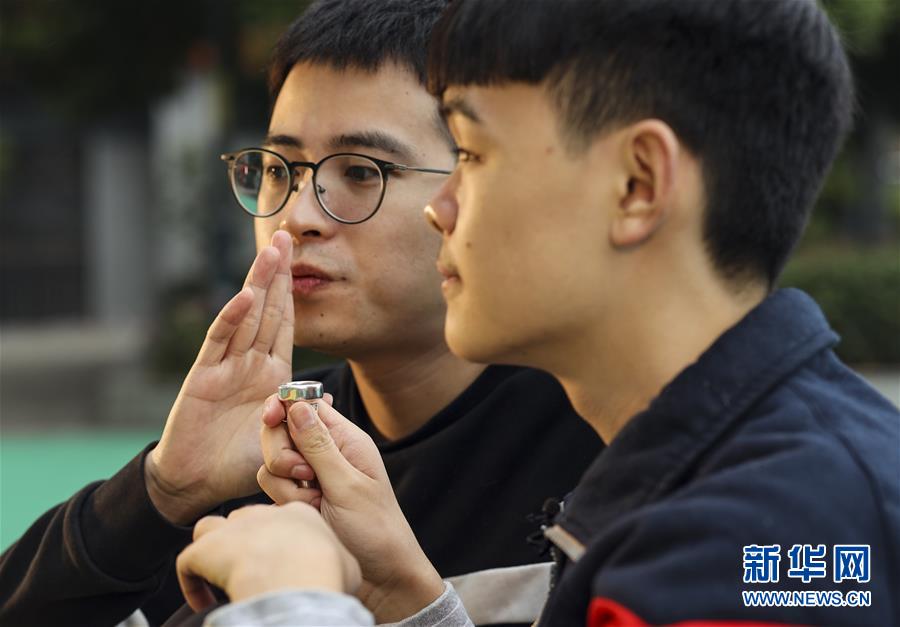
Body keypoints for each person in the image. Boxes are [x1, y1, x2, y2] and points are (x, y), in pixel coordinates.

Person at [172, 0, 900, 625]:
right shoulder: (737, 477)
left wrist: (294, 602)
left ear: (637, 184)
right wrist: (408, 600)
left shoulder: (768, 531)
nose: (438, 208)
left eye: (474, 154)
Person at [0, 2, 601, 626]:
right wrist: (160, 491)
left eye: (361, 171)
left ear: (476, 182)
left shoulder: (600, 449)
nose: (297, 216)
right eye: (277, 169)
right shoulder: (263, 454)